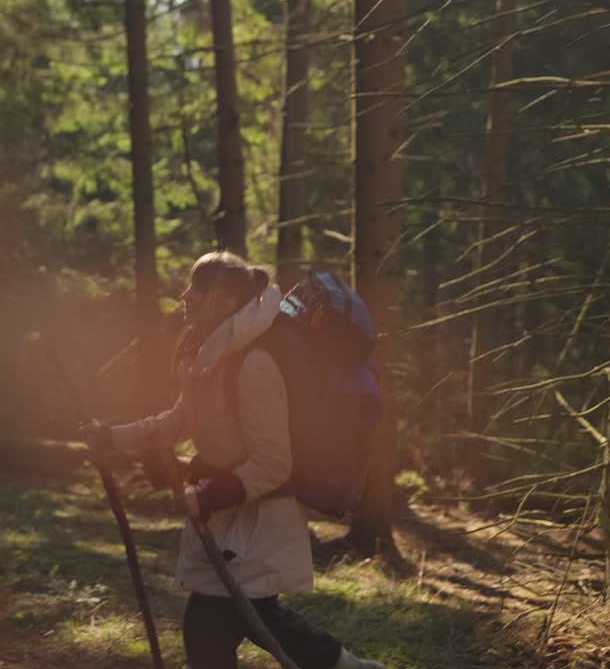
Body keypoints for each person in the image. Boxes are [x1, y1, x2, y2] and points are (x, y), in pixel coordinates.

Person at [81, 251, 385, 669]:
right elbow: (176, 421)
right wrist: (111, 437)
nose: (186, 295)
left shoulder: (254, 364)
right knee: (244, 624)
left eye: (198, 289)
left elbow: (274, 463)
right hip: (233, 522)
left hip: (259, 524)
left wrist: (208, 496)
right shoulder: (212, 358)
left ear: (225, 301)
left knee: (219, 626)